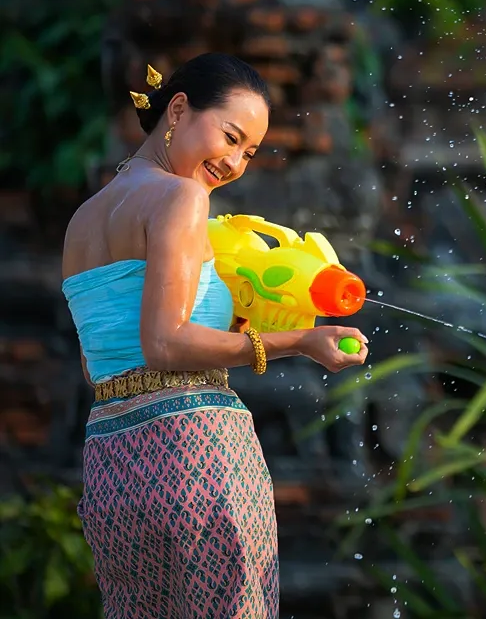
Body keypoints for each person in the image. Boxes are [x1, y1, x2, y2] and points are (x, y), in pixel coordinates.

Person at [61, 53, 369, 618]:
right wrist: (296, 341)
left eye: (248, 153)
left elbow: (103, 362)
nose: (233, 162)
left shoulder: (83, 220)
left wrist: (229, 321)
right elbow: (165, 344)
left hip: (111, 468)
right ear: (178, 109)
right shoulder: (182, 199)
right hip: (196, 454)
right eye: (230, 137)